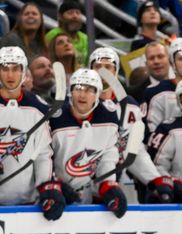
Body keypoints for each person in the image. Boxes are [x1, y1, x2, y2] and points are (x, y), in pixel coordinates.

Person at [89, 47, 172, 204]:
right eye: (98, 67)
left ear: (116, 71)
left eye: (108, 67)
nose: (103, 72)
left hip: (111, 187)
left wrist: (155, 179)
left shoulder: (130, 106)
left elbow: (133, 150)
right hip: (77, 190)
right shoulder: (75, 105)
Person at [49, 68, 127, 218]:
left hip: (89, 198)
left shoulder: (109, 118)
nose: (83, 94)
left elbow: (108, 156)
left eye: (89, 89)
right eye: (78, 88)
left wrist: (108, 184)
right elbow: (43, 158)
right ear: (70, 92)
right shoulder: (54, 118)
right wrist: (55, 184)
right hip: (55, 195)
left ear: (97, 94)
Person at [0, 46, 54, 216]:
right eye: (4, 69)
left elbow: (43, 154)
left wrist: (46, 188)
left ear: (24, 71)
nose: (10, 75)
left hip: (29, 204)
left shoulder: (38, 107)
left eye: (16, 69)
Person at [45, 0, 89, 67]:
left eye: (78, 13)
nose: (75, 16)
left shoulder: (85, 38)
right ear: (60, 17)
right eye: (70, 13)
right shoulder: (52, 35)